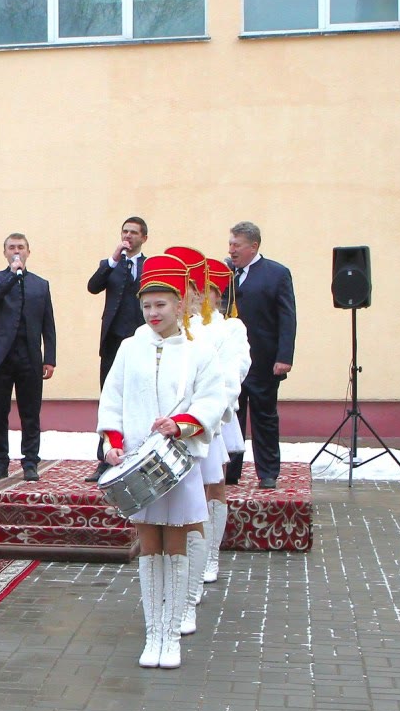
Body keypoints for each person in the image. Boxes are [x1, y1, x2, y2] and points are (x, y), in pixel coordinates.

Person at [96, 254, 231, 670]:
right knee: (147, 546)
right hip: (139, 464)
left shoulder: (198, 351)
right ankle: (152, 634)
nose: (153, 313)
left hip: (180, 465)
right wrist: (113, 443)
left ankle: (171, 636)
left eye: (161, 304)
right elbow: (113, 399)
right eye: (147, 306)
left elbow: (214, 399)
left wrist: (183, 423)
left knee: (175, 542)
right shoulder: (129, 348)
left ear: (179, 304)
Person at [0, 233, 57, 481]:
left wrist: (50, 357)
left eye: (21, 247)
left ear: (28, 252)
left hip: (30, 357)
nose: (16, 251)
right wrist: (12, 276)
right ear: (5, 253)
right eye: (12, 248)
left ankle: (30, 462)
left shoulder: (40, 284)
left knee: (30, 413)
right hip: (0, 357)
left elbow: (48, 323)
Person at [226, 220, 295, 489]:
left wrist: (284, 356)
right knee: (232, 416)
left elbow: (287, 318)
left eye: (237, 245)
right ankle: (230, 470)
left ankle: (267, 472)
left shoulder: (276, 274)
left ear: (253, 247)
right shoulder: (226, 273)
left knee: (264, 417)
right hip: (231, 361)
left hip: (264, 360)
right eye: (230, 244)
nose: (231, 250)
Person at [195, 259, 250, 585]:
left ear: (217, 294)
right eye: (191, 291)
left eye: (203, 291)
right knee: (188, 489)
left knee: (214, 485)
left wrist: (214, 409)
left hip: (217, 415)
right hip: (183, 419)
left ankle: (210, 555)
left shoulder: (229, 327)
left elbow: (235, 370)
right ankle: (190, 553)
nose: (195, 298)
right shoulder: (179, 326)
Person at [85, 216, 149, 479]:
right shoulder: (111, 265)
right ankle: (105, 457)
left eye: (134, 232)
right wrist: (112, 259)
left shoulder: (151, 266)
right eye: (125, 232)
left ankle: (140, 455)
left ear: (144, 237)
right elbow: (93, 286)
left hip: (141, 341)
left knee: (140, 397)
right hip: (113, 340)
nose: (128, 236)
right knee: (110, 399)